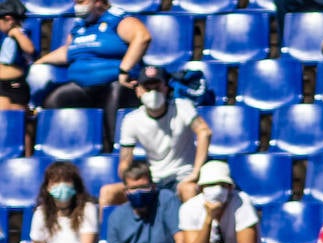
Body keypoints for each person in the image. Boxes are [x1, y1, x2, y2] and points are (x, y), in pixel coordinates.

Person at [34, 0, 150, 150]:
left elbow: (142, 37)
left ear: (98, 2)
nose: (78, 5)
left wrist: (125, 69)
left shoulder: (117, 19)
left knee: (116, 95)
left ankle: (113, 150)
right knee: (54, 100)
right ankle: (62, 150)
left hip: (113, 84)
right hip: (82, 86)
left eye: (82, 1)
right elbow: (68, 51)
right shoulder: (79, 26)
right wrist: (39, 62)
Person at [106, 66, 212, 207]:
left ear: (166, 88)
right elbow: (125, 161)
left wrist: (196, 172)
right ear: (138, 91)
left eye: (157, 88)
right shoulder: (131, 119)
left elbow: (204, 132)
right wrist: (130, 182)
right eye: (147, 88)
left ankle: (194, 223)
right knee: (108, 193)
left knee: (189, 190)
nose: (153, 93)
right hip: (152, 181)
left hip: (183, 177)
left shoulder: (182, 107)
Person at [0, 0, 34, 111]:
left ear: (8, 19)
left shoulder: (20, 33)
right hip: (3, 84)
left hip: (14, 85)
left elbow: (30, 49)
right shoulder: (6, 37)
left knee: (9, 113)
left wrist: (17, 34)